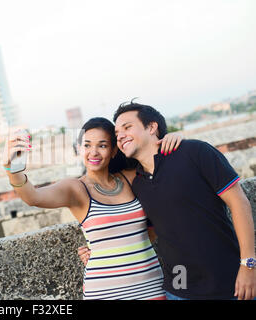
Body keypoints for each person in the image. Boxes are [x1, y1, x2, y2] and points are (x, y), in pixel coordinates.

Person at [79, 101, 255, 300]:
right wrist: (100, 251)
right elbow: (144, 232)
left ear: (152, 127)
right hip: (178, 291)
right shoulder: (136, 183)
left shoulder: (194, 152)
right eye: (117, 132)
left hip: (230, 284)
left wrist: (248, 264)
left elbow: (239, 202)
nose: (120, 135)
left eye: (127, 127)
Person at [3, 119, 183, 300]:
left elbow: (166, 167)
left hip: (150, 286)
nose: (93, 152)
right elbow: (33, 197)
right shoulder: (75, 188)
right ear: (79, 149)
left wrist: (175, 139)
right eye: (87, 145)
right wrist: (12, 169)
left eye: (102, 145)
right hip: (104, 291)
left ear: (113, 151)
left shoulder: (132, 178)